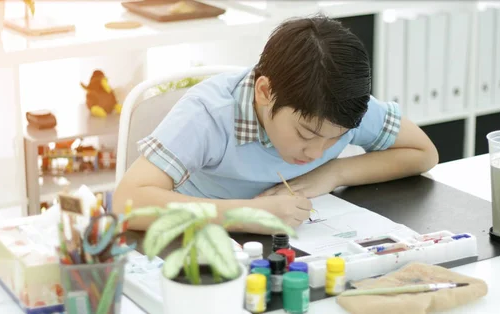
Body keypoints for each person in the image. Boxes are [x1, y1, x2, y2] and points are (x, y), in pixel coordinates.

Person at [113, 15, 439, 233]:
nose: (315, 152)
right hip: (197, 245)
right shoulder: (207, 115)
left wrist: (333, 173)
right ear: (265, 92)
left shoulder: (336, 109)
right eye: (305, 134)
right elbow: (127, 202)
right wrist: (250, 215)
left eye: (334, 140)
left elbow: (423, 152)